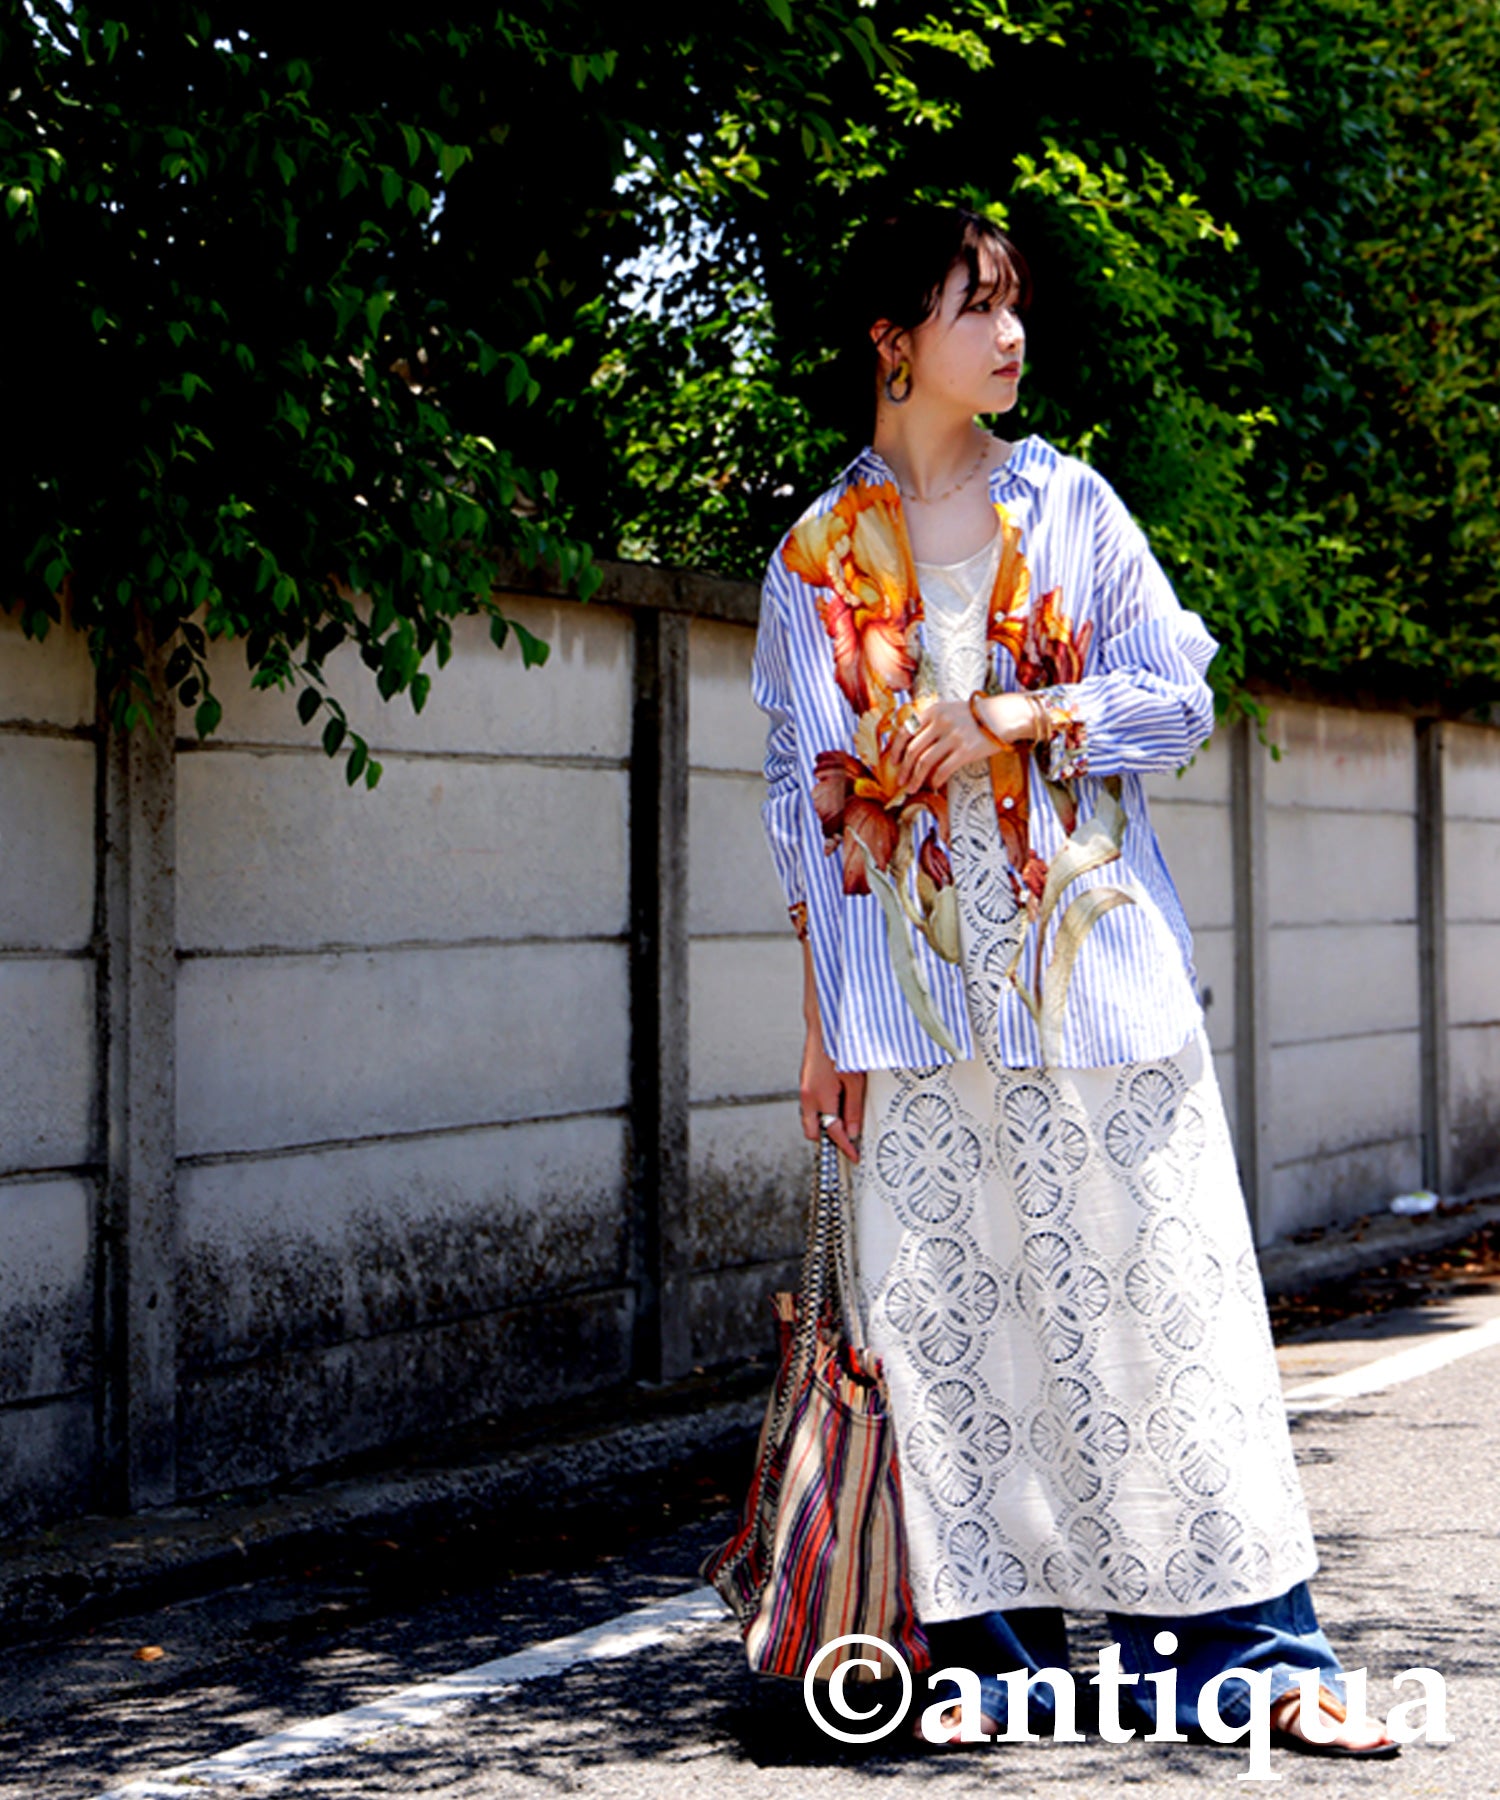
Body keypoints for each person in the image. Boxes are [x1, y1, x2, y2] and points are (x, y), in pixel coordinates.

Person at [749, 203, 1397, 1759]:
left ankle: (1250, 1660)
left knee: (1167, 1318)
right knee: (961, 1336)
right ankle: (998, 1668)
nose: (1011, 333)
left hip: (1094, 990)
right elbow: (801, 807)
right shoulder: (814, 563)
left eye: (1016, 303)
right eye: (976, 305)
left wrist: (1015, 720)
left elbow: (1179, 700)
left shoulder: (1072, 506)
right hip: (920, 1015)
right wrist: (828, 1031)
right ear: (893, 341)